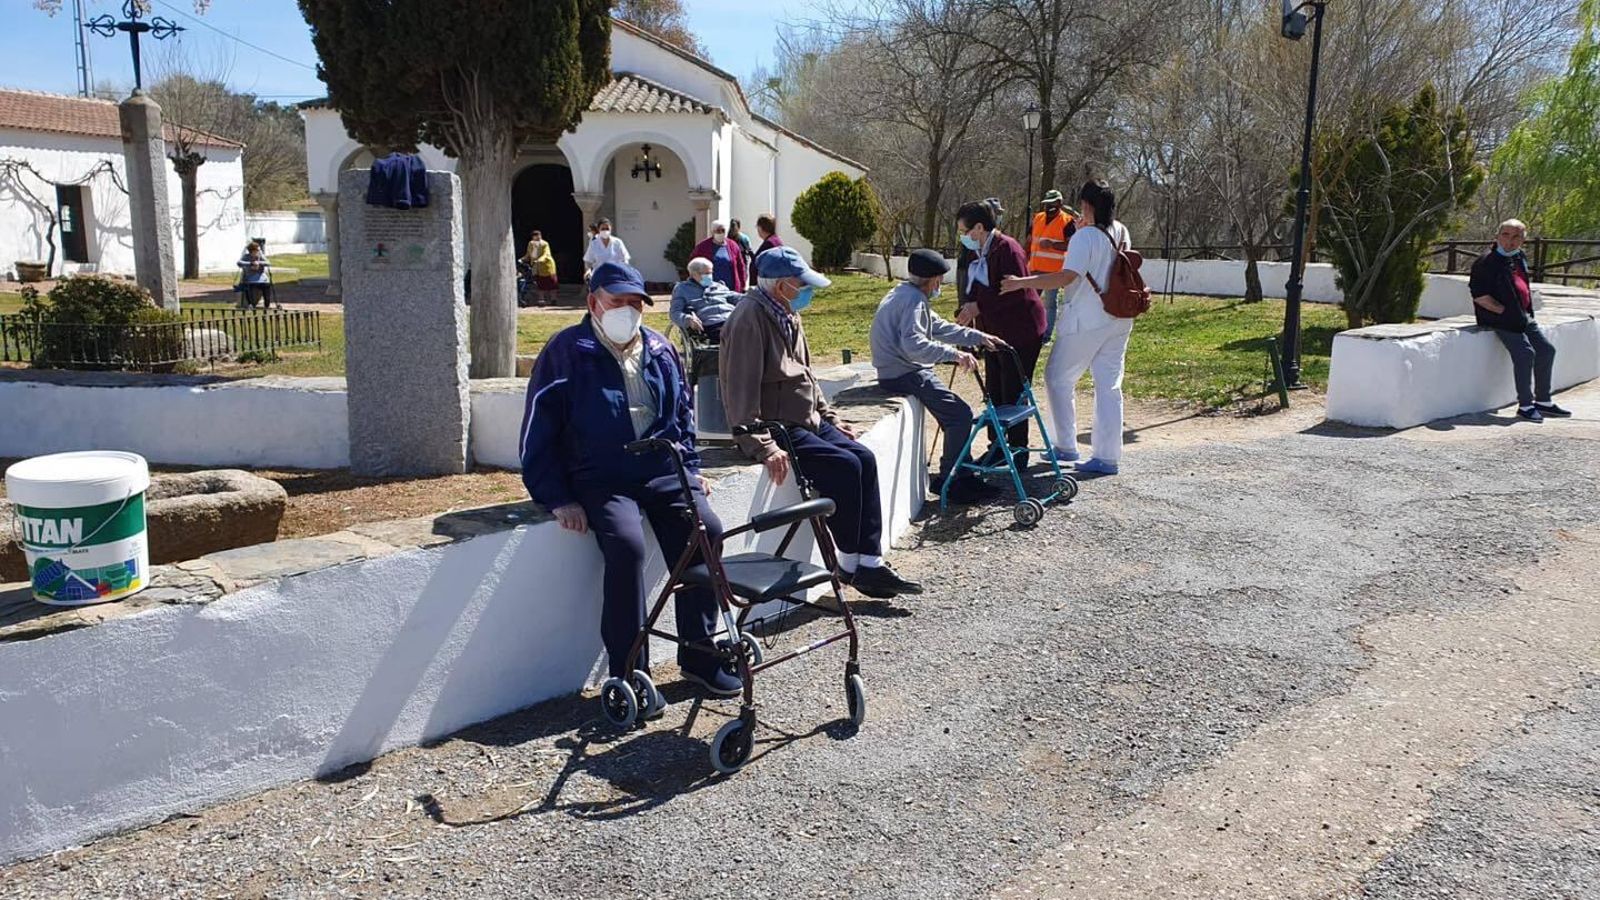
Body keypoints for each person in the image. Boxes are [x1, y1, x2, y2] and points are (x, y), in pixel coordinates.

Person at [518, 261, 740, 698]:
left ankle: (699, 654)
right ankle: (628, 671)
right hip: (601, 475)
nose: (627, 311)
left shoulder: (660, 348)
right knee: (626, 545)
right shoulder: (567, 352)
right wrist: (556, 497)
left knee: (706, 532)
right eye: (617, 302)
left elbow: (682, 417)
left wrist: (690, 469)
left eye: (635, 303)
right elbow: (537, 432)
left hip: (660, 468)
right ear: (594, 304)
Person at [720, 245, 922, 599]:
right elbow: (739, 389)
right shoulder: (749, 318)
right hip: (780, 425)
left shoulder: (785, 311)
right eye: (801, 284)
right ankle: (848, 562)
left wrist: (829, 416)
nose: (806, 292)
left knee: (864, 459)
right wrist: (761, 444)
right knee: (844, 466)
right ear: (782, 285)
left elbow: (807, 376)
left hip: (808, 418)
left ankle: (870, 563)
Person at [1003, 180, 1135, 476]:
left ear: (1086, 205)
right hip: (1120, 316)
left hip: (1087, 319)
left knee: (1057, 378)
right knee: (1109, 385)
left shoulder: (1085, 237)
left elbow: (1064, 277)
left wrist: (1022, 283)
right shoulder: (1121, 230)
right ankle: (1107, 456)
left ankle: (1065, 445)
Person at [870, 249, 1006, 503]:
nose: (940, 285)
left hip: (900, 369)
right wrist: (955, 355)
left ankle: (962, 473)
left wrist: (980, 337)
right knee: (959, 415)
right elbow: (914, 345)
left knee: (955, 415)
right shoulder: (913, 301)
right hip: (903, 372)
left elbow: (938, 327)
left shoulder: (905, 293)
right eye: (940, 280)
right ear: (932, 280)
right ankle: (951, 480)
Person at [954, 198, 1046, 467]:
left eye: (964, 231)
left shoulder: (1008, 249)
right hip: (992, 332)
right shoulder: (977, 251)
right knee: (993, 390)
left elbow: (1012, 291)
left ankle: (1018, 452)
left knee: (1013, 390)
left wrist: (978, 306)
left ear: (979, 228)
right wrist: (967, 312)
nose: (962, 237)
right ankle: (997, 446)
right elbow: (974, 286)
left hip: (1021, 330)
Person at [1470, 219, 1570, 421]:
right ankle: (1525, 405)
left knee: (1546, 350)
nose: (1510, 241)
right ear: (1497, 236)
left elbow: (1522, 284)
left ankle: (1543, 402)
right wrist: (1504, 312)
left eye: (1516, 236)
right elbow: (1479, 295)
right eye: (1505, 235)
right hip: (1501, 319)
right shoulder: (1486, 262)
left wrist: (1525, 312)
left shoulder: (1518, 257)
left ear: (1523, 240)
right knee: (1525, 354)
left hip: (1522, 316)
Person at [1028, 190, 1077, 342]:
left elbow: (1071, 245)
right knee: (1030, 301)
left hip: (1053, 271)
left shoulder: (1068, 221)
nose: (1049, 206)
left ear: (1060, 203)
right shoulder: (1038, 218)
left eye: (1053, 203)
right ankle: (1031, 330)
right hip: (1035, 267)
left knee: (1050, 303)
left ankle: (1046, 335)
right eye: (1047, 203)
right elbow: (1029, 239)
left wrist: (1052, 245)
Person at [670, 257, 739, 341]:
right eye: (706, 273)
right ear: (694, 274)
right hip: (711, 324)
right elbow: (675, 312)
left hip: (733, 319)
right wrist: (688, 319)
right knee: (733, 336)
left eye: (711, 272)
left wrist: (751, 296)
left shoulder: (719, 286)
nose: (710, 276)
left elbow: (736, 297)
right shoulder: (682, 289)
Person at [692, 221, 747, 294]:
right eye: (718, 230)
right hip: (710, 289)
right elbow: (693, 265)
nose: (720, 233)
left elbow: (741, 266)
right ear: (712, 232)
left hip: (731, 289)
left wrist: (742, 284)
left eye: (723, 230)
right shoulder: (702, 247)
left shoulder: (733, 245)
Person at [522, 230, 558, 306]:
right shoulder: (530, 244)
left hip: (547, 266)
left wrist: (539, 260)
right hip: (537, 268)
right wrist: (522, 259)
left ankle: (553, 299)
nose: (537, 238)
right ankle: (541, 300)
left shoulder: (545, 244)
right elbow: (528, 254)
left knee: (552, 283)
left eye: (538, 236)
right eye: (535, 237)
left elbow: (546, 254)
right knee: (540, 284)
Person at [236, 242, 272, 310]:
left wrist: (259, 263)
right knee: (247, 287)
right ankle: (250, 304)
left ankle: (267, 305)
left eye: (259, 250)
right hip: (250, 279)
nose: (259, 251)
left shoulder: (260, 256)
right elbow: (239, 262)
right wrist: (251, 263)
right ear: (252, 251)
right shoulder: (246, 256)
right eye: (257, 250)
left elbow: (268, 263)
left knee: (267, 286)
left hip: (262, 279)